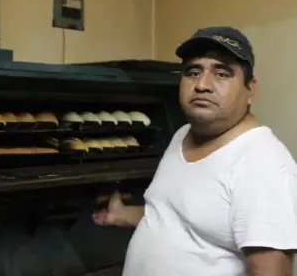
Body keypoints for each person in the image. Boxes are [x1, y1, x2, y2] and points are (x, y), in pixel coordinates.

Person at [93, 26, 297, 275]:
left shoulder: (263, 164)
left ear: (250, 90)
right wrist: (123, 214)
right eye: (193, 72)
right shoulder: (183, 134)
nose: (202, 84)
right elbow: (180, 218)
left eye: (222, 73)